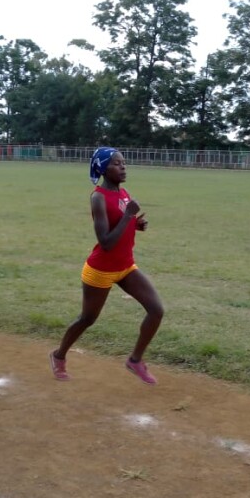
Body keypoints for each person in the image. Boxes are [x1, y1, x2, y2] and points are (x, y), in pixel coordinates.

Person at [49, 147, 164, 384]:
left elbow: (119, 225)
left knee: (156, 310)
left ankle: (135, 360)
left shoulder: (123, 193)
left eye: (123, 163)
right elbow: (106, 242)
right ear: (103, 168)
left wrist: (135, 224)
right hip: (100, 270)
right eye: (116, 164)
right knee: (87, 319)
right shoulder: (98, 197)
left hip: (125, 267)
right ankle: (58, 356)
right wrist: (128, 216)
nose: (123, 167)